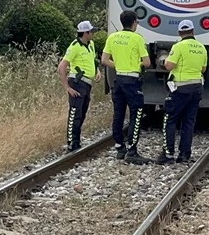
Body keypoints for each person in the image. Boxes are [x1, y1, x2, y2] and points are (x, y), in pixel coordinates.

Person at [101, 10, 152, 163]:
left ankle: (119, 147)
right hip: (132, 80)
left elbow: (104, 60)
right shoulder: (137, 39)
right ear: (134, 22)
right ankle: (132, 149)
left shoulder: (113, 37)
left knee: (118, 114)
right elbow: (147, 62)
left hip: (118, 79)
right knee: (136, 114)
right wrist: (138, 65)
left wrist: (117, 65)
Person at [158, 19, 208, 165]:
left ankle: (168, 154)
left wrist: (164, 61)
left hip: (180, 88)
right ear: (193, 31)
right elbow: (203, 69)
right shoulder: (201, 48)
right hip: (197, 88)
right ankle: (184, 154)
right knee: (188, 122)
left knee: (170, 119)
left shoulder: (178, 46)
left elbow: (169, 65)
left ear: (180, 33)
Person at [57, 21, 101, 152]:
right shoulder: (75, 46)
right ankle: (72, 142)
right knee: (75, 113)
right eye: (91, 32)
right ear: (85, 33)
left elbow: (93, 60)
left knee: (82, 112)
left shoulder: (91, 45)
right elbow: (62, 66)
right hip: (77, 82)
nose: (93, 34)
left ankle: (77, 139)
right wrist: (67, 87)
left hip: (87, 83)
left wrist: (97, 71)